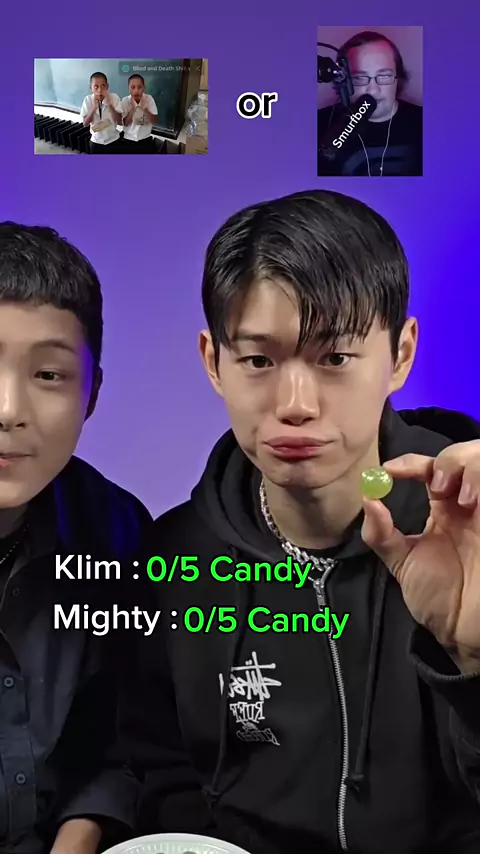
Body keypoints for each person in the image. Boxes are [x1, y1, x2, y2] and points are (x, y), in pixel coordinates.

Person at [123, 190, 480, 854]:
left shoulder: (469, 528)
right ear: (213, 362)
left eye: (335, 358)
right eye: (259, 360)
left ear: (401, 355)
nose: (295, 404)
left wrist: (471, 661)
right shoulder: (171, 559)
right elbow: (161, 772)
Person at [0, 222, 152, 854]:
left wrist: (80, 836)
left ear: (92, 395)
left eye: (48, 374)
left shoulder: (117, 532)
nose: (8, 410)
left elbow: (119, 743)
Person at [317, 31, 423, 176]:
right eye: (359, 78)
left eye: (384, 76)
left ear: (398, 79)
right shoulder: (318, 124)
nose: (372, 90)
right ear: (343, 82)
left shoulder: (425, 123)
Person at [80, 73, 123, 154]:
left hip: (114, 140)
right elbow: (85, 124)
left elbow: (120, 122)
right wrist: (93, 108)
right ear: (91, 88)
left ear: (107, 86)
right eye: (96, 87)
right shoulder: (88, 100)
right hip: (96, 142)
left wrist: (110, 105)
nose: (100, 90)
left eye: (103, 86)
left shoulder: (114, 98)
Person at [121, 74, 158, 154]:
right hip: (128, 140)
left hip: (145, 140)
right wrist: (132, 110)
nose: (136, 91)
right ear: (128, 88)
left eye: (139, 87)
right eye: (133, 87)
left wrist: (145, 110)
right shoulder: (125, 101)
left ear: (144, 87)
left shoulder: (149, 99)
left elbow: (154, 120)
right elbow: (125, 123)